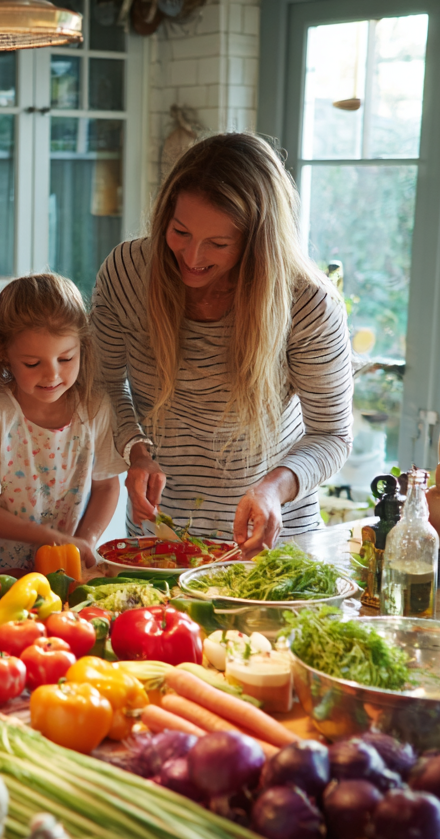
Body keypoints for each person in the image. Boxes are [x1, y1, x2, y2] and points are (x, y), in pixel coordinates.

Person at [91, 133, 353, 554]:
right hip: (162, 536)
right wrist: (135, 450)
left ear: (257, 242)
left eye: (218, 244)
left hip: (273, 543)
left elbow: (332, 435)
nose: (192, 257)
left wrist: (273, 488)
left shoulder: (308, 302)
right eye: (180, 232)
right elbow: (103, 383)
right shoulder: (128, 272)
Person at [0, 274, 125, 574]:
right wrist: (51, 539)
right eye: (33, 364)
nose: (52, 375)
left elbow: (106, 486)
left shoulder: (95, 407)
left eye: (66, 359)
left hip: (64, 572)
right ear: (3, 352)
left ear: (83, 345)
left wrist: (84, 542)